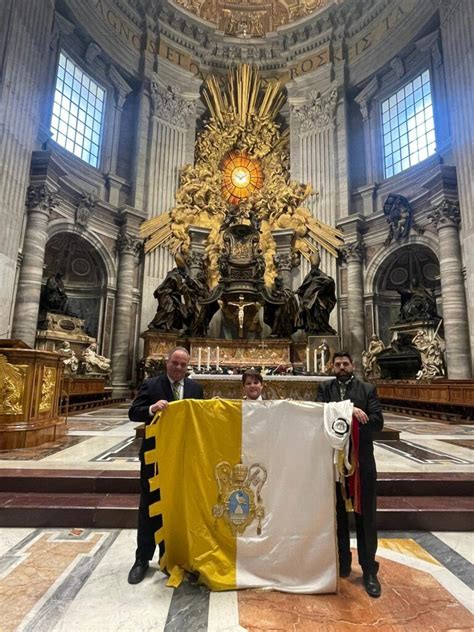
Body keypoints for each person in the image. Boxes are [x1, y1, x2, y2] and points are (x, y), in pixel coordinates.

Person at [127, 347, 204, 584]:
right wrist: (151, 409)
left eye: (183, 365)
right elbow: (133, 413)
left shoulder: (195, 389)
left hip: (182, 457)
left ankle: (172, 557)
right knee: (150, 505)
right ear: (167, 362)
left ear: (188, 366)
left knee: (179, 508)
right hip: (155, 456)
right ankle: (142, 559)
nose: (178, 368)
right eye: (175, 363)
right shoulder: (151, 385)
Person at [316, 351, 383, 598]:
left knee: (365, 516)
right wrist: (350, 410)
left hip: (361, 462)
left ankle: (369, 570)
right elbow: (318, 414)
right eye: (337, 364)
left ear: (352, 365)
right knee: (337, 517)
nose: (342, 367)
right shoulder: (325, 389)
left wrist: (350, 410)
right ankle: (343, 562)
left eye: (345, 364)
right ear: (331, 367)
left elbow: (377, 422)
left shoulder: (367, 389)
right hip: (333, 465)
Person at [296, 251, 337, 334]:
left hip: (321, 300)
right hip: (310, 300)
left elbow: (329, 283)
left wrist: (326, 285)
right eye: (312, 266)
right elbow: (305, 286)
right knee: (309, 310)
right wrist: (299, 291)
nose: (313, 268)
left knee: (321, 312)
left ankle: (323, 327)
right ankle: (313, 328)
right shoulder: (309, 276)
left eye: (315, 266)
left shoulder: (323, 276)